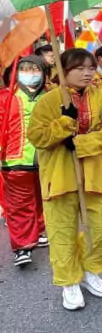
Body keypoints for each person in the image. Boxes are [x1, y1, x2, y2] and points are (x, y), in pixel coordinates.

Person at [27, 48, 102, 311]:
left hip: (95, 177)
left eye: (90, 67)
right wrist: (63, 124)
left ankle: (90, 270)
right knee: (61, 233)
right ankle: (69, 281)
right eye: (80, 68)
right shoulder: (47, 101)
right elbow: (37, 136)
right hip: (59, 177)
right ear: (64, 71)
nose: (87, 72)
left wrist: (80, 142)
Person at [0, 56, 50, 266]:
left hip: (47, 160)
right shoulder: (5, 98)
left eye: (35, 69)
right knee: (20, 205)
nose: (30, 74)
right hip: (15, 161)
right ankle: (23, 246)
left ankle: (39, 230)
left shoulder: (51, 96)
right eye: (25, 69)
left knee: (42, 200)